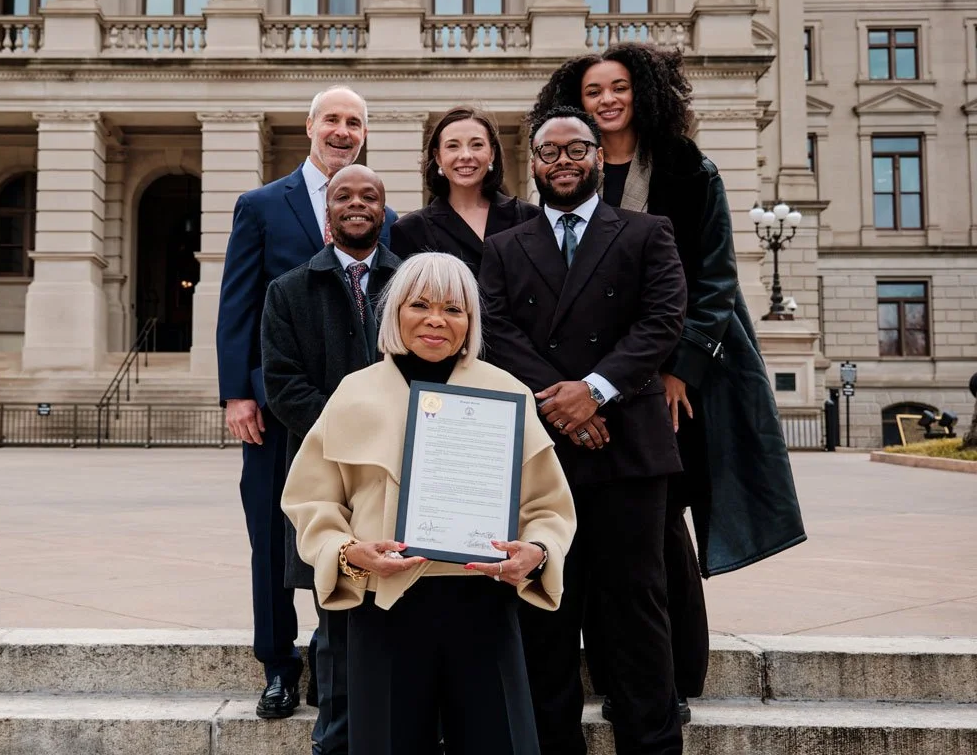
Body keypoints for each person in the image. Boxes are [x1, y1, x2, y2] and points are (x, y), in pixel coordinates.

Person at [529, 43, 806, 722]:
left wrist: (684, 366)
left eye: (619, 87)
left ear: (644, 92)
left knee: (660, 528)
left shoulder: (687, 168)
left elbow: (715, 279)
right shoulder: (570, 170)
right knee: (604, 527)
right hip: (589, 376)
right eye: (593, 91)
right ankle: (629, 673)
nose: (607, 100)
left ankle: (671, 678)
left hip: (675, 374)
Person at [282, 252, 577, 755]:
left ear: (470, 322)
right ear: (395, 312)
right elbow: (313, 501)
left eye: (454, 308)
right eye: (420, 304)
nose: (436, 319)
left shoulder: (506, 392)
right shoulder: (353, 394)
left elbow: (548, 506)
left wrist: (538, 553)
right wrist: (349, 554)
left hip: (484, 604)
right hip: (386, 606)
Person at [479, 106, 687, 755]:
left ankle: (651, 746)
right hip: (542, 455)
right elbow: (496, 332)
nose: (562, 162)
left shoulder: (647, 231)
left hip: (629, 452)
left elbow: (662, 321)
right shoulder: (503, 246)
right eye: (548, 153)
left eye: (576, 150)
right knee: (545, 615)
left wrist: (592, 391)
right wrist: (561, 404)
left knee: (636, 614)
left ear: (600, 158)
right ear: (531, 165)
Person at [216, 85, 397, 725]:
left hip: (361, 411)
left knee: (348, 534)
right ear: (310, 127)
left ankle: (331, 661)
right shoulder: (264, 204)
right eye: (333, 120)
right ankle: (277, 666)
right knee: (272, 537)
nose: (343, 130)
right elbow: (238, 300)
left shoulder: (382, 213)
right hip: (278, 408)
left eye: (354, 122)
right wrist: (238, 391)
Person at [260, 164, 401, 754]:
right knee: (336, 608)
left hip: (398, 474)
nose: (356, 204)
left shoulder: (412, 285)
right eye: (343, 195)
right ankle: (336, 739)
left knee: (398, 602)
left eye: (370, 196)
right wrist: (353, 434)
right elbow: (284, 386)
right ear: (328, 213)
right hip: (327, 474)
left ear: (384, 211)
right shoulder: (289, 290)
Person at [390, 106, 536, 274]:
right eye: (453, 146)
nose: (465, 155)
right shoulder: (411, 230)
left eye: (477, 145)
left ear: (492, 154)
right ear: (438, 157)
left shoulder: (529, 218)